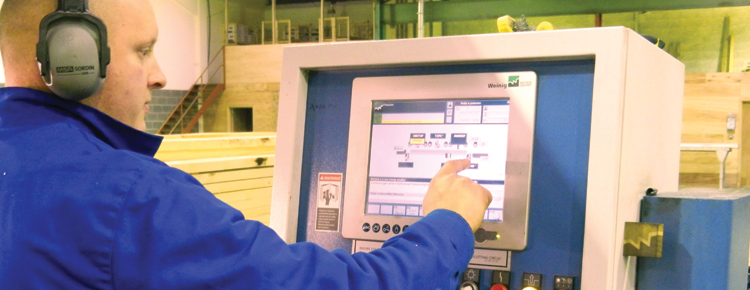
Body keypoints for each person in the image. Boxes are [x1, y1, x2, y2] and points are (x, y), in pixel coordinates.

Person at [0, 0, 492, 289]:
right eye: (143, 51)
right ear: (73, 59)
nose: (160, 76)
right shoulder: (126, 196)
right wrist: (448, 224)